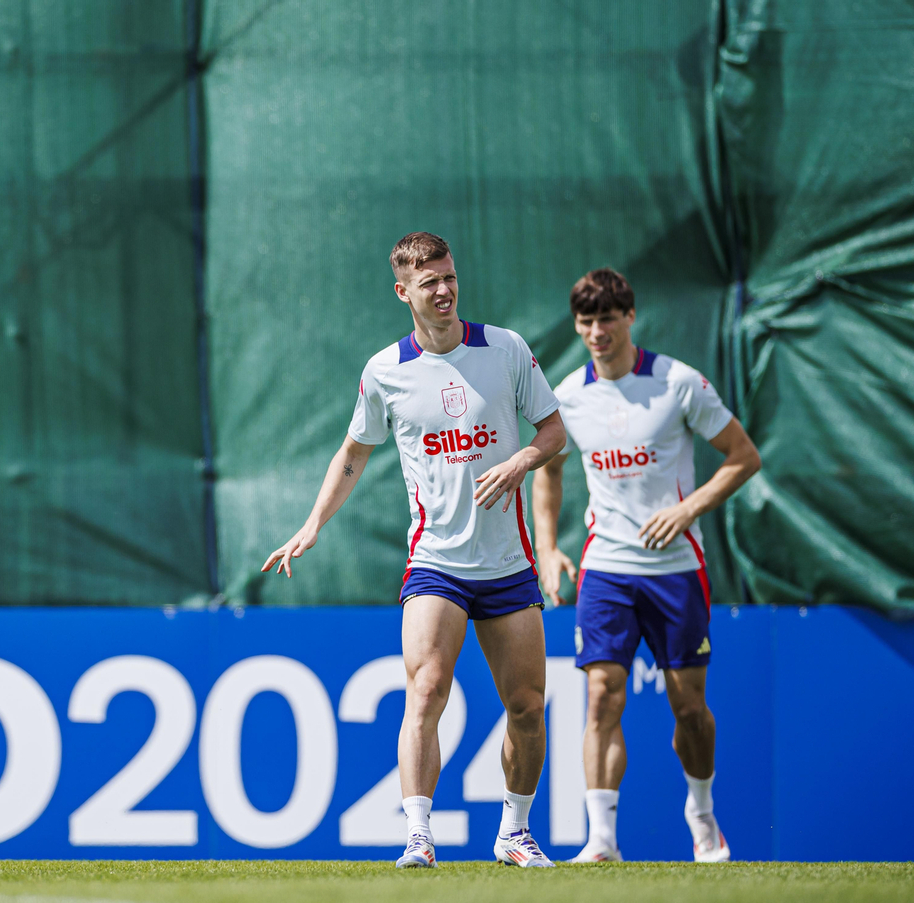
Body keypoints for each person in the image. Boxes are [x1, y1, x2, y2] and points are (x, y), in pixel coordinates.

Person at [262, 232, 567, 869]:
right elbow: (352, 453)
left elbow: (553, 431)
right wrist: (313, 524)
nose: (444, 290)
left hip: (508, 563)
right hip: (436, 563)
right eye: (429, 283)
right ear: (403, 292)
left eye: (449, 276)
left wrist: (520, 461)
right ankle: (419, 837)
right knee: (425, 692)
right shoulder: (385, 371)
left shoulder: (506, 349)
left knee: (527, 707)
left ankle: (514, 833)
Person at [532, 267, 761, 863]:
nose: (597, 332)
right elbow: (548, 472)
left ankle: (702, 816)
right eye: (587, 321)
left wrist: (687, 509)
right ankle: (602, 841)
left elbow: (743, 457)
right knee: (602, 696)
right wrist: (548, 546)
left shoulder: (678, 383)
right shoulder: (568, 396)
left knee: (689, 708)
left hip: (676, 570)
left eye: (608, 319)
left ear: (630, 317)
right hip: (605, 569)